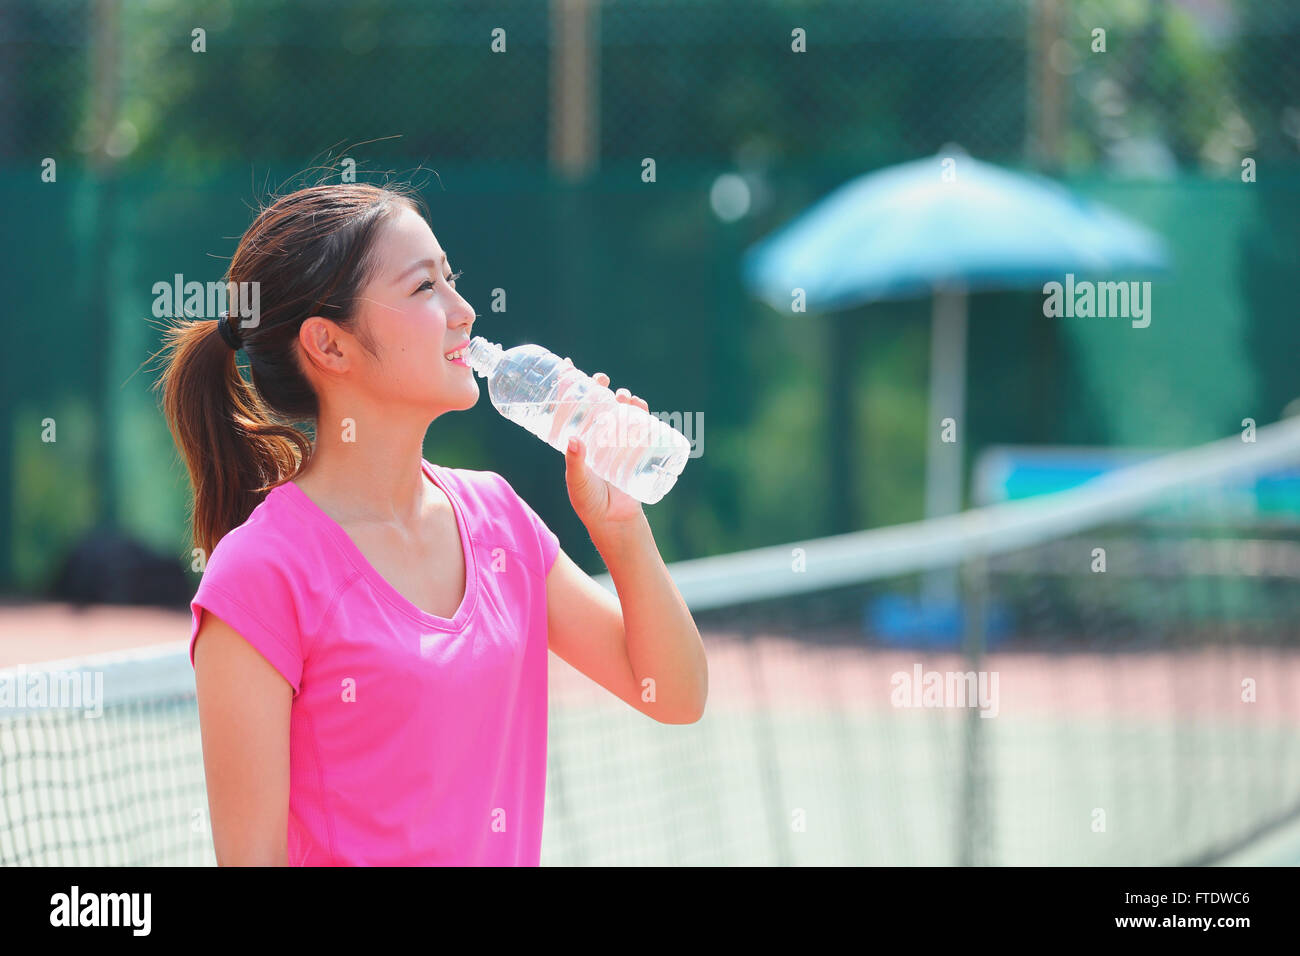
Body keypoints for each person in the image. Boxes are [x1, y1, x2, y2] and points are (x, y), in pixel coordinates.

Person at [156, 182, 707, 866]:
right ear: (328, 345)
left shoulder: (499, 519)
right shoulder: (261, 574)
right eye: (424, 289)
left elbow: (675, 695)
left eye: (452, 279)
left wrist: (622, 528)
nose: (464, 312)